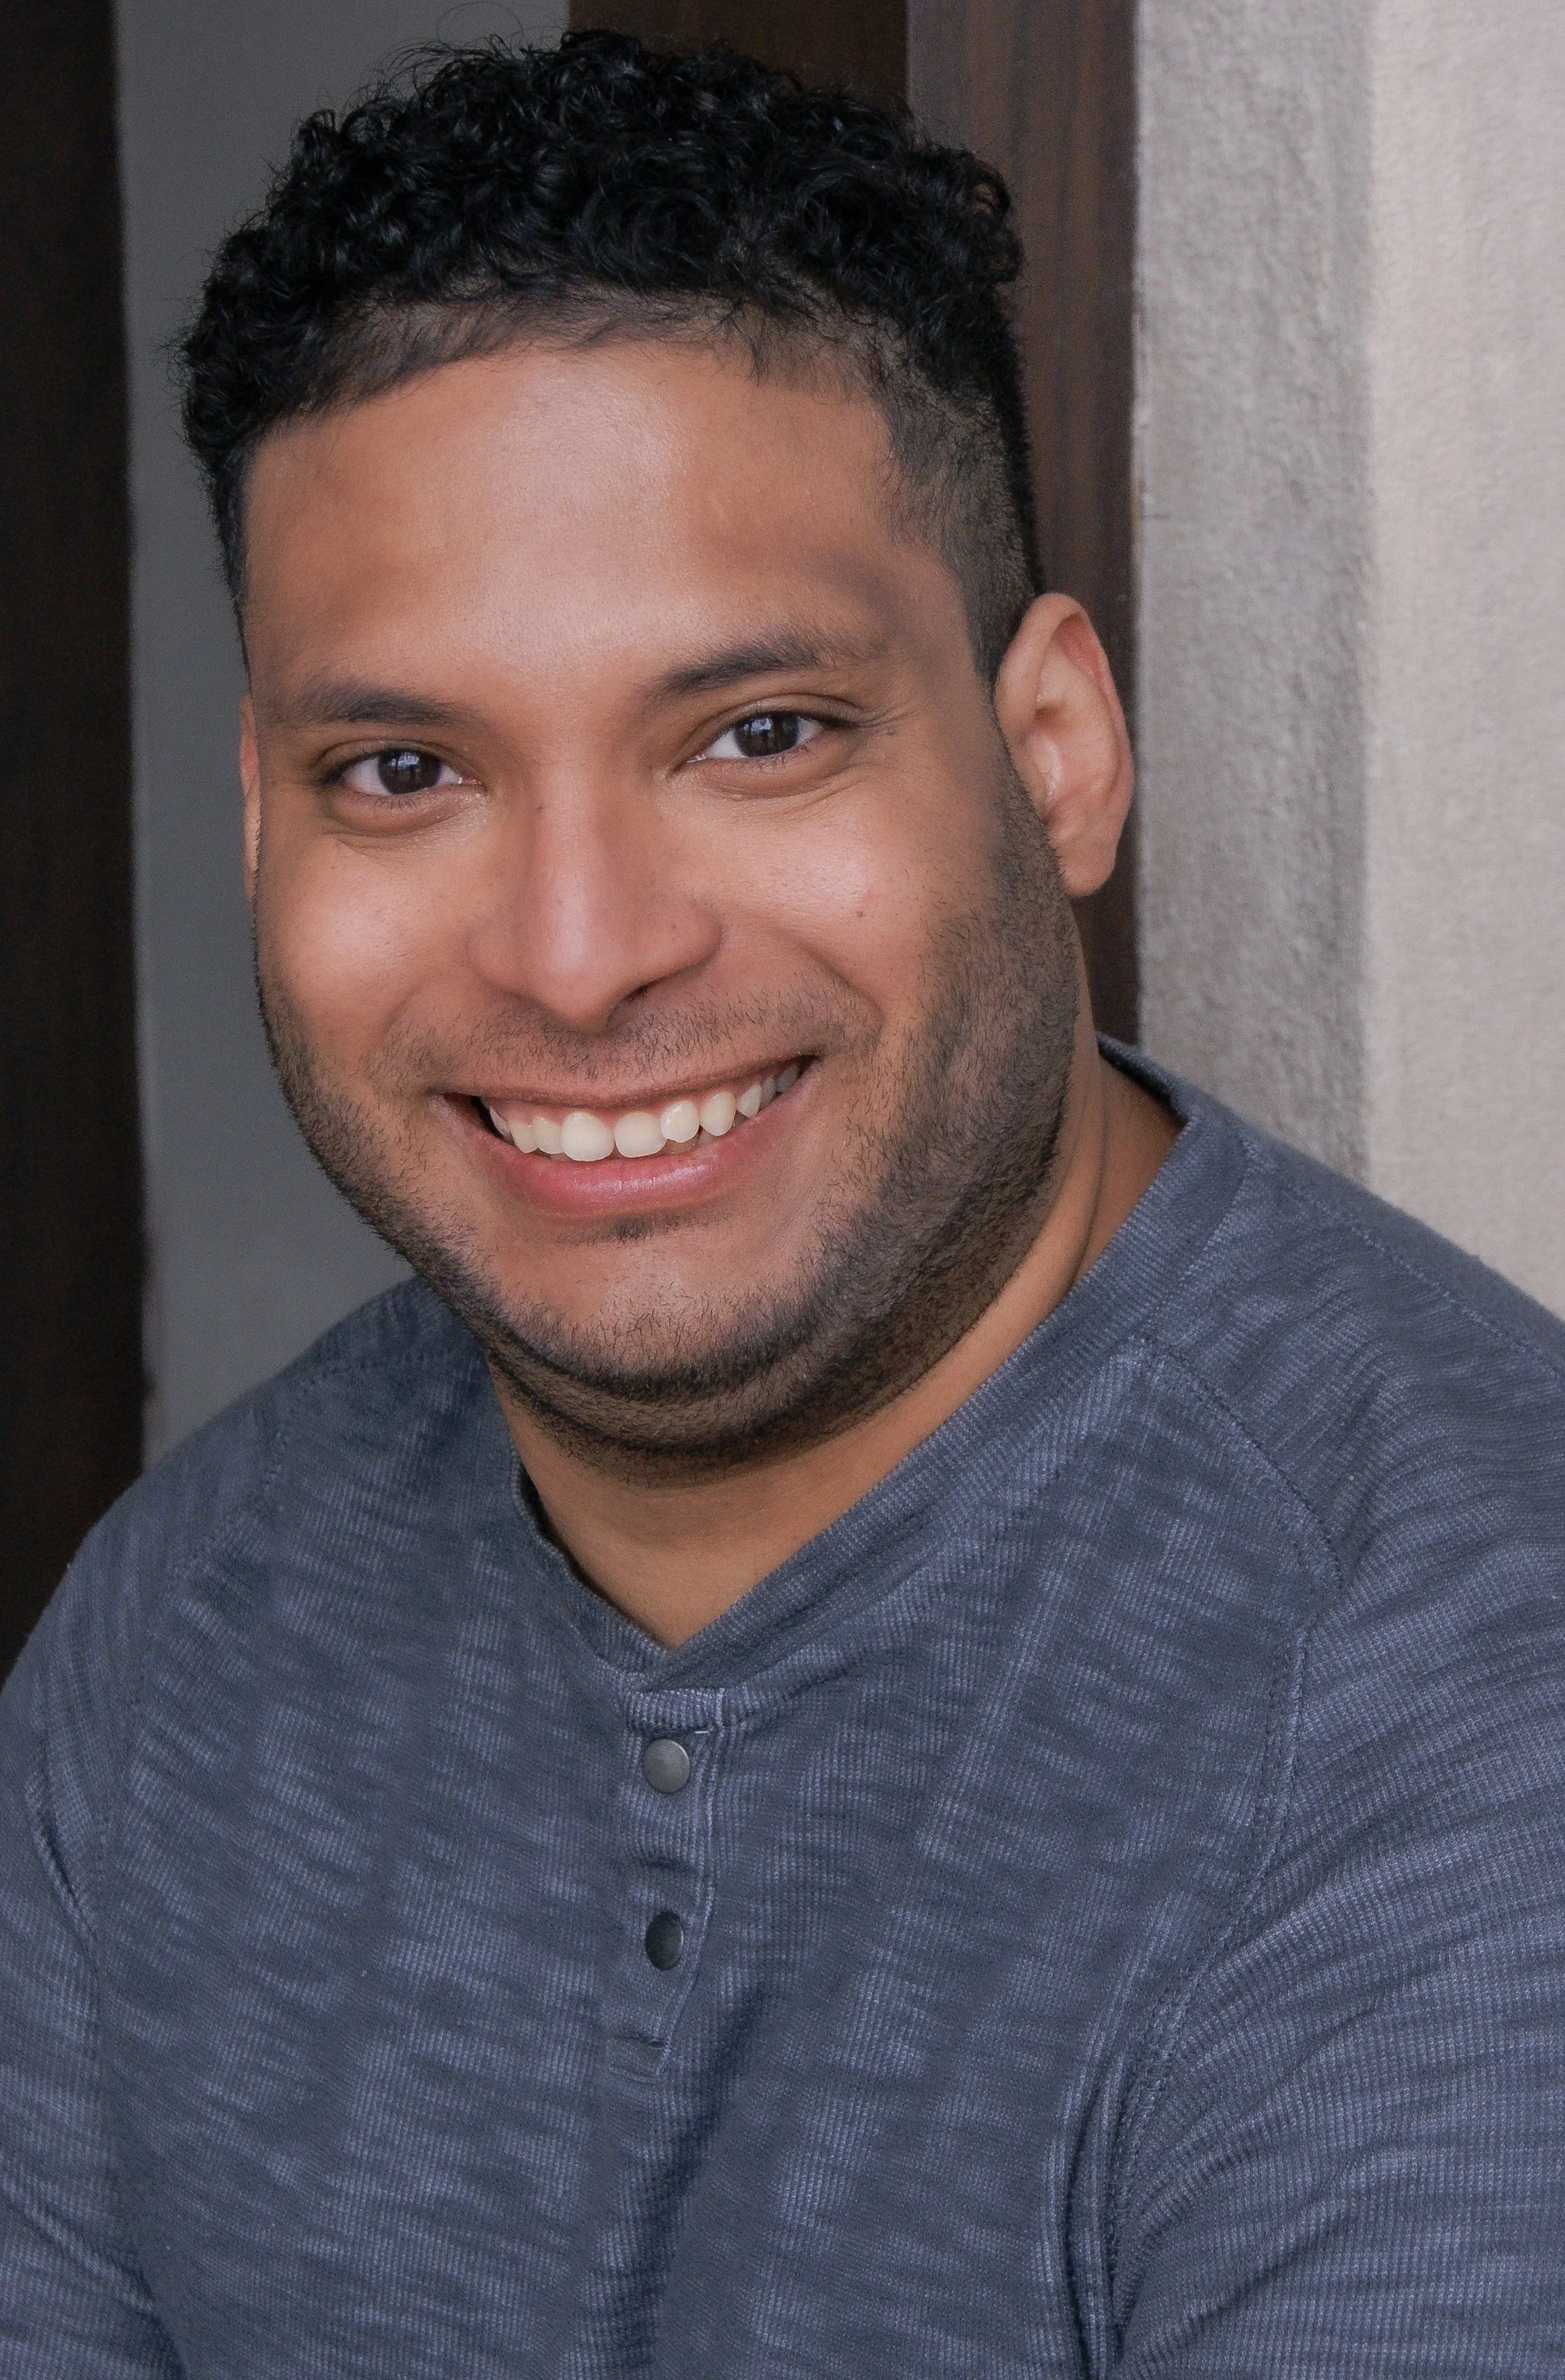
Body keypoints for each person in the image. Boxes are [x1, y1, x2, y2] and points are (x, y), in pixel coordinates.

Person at [2, 29, 1562, 2374]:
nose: (576, 946)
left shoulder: (1462, 1722)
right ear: (260, 824)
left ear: (1051, 759)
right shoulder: (175, 1641)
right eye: (405, 769)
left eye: (754, 735)